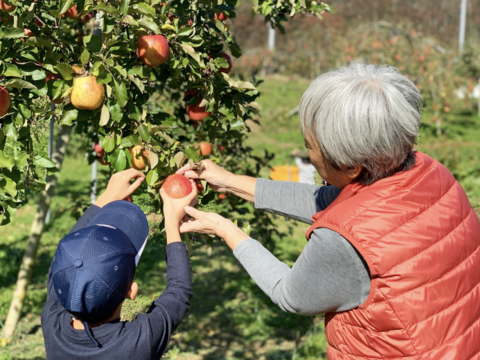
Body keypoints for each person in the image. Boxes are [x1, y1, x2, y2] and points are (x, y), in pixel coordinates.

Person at [176, 63, 480, 359]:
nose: (307, 153)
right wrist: (230, 182)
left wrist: (226, 230)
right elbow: (334, 201)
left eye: (310, 146)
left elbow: (291, 295)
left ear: (350, 167)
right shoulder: (431, 174)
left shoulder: (344, 242)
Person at [41, 168, 197, 360]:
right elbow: (179, 291)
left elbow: (179, 292)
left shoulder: (53, 325)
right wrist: (172, 223)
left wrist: (106, 197)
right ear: (131, 291)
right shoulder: (138, 344)